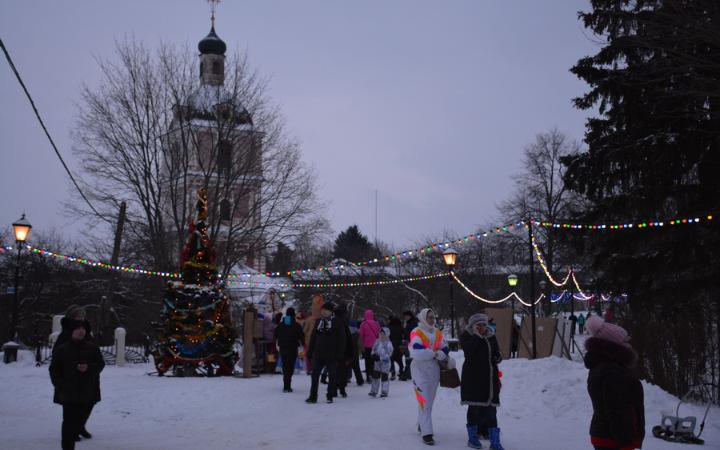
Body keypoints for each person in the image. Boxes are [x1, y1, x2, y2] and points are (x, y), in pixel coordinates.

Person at [584, 316, 645, 450]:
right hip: (612, 440)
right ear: (614, 345)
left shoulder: (606, 366)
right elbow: (617, 410)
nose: (628, 343)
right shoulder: (612, 371)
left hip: (607, 436)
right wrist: (626, 442)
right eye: (624, 340)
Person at [50, 320, 105, 450]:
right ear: (71, 331)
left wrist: (89, 368)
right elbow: (54, 370)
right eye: (77, 329)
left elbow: (100, 364)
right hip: (69, 393)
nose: (81, 331)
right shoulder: (62, 349)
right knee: (68, 424)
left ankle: (78, 429)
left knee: (79, 421)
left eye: (83, 329)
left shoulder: (92, 348)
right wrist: (61, 385)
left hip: (88, 392)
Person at [52, 305, 97, 442]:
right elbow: (57, 358)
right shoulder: (66, 334)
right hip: (71, 377)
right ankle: (73, 430)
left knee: (90, 402)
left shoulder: (86, 332)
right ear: (71, 317)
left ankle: (80, 426)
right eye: (78, 316)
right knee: (72, 406)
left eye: (83, 316)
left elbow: (96, 354)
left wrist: (91, 367)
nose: (81, 319)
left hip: (89, 375)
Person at [460, 313, 504, 450]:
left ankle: (495, 442)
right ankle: (473, 438)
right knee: (474, 409)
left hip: (490, 380)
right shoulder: (467, 336)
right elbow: (469, 352)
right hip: (474, 380)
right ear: (473, 326)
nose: (482, 327)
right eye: (478, 325)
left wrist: (497, 357)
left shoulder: (491, 336)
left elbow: (496, 352)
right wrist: (477, 336)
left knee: (491, 411)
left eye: (484, 324)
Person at [409, 308, 449, 446]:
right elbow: (416, 351)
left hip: (434, 370)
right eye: (429, 317)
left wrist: (439, 354)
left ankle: (422, 423)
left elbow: (445, 349)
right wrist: (434, 353)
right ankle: (427, 433)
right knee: (424, 400)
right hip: (419, 370)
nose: (432, 320)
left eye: (433, 317)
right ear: (423, 318)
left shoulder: (437, 332)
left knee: (429, 401)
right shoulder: (416, 332)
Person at [306, 302, 346, 404]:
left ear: (331, 311)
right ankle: (313, 396)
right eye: (322, 310)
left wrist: (340, 354)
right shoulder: (318, 321)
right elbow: (313, 338)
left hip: (332, 354)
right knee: (315, 375)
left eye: (326, 310)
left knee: (332, 375)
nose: (323, 311)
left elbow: (342, 339)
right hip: (318, 354)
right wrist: (310, 352)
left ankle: (330, 395)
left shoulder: (337, 322)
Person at [274, 307, 305, 393]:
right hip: (293, 348)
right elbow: (301, 336)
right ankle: (288, 385)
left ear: (286, 315)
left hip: (283, 348)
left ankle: (285, 385)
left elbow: (275, 334)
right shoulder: (296, 325)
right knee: (290, 366)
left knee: (285, 365)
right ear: (294, 315)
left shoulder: (281, 325)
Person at [332, 302, 354, 398]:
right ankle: (342, 389)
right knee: (343, 371)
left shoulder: (332, 322)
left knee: (334, 370)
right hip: (344, 350)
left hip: (334, 350)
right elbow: (348, 338)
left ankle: (334, 388)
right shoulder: (344, 322)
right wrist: (350, 352)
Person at [369, 327, 394, 397]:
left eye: (384, 334)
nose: (382, 335)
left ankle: (384, 391)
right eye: (381, 334)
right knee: (375, 376)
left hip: (385, 363)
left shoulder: (388, 344)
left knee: (384, 377)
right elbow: (373, 349)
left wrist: (380, 358)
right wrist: (373, 355)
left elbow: (389, 354)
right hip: (377, 363)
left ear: (387, 334)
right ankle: (374, 391)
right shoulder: (377, 342)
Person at [302, 295, 324, 374]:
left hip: (315, 340)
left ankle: (313, 368)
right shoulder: (310, 320)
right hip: (310, 340)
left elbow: (304, 331)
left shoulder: (322, 319)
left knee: (315, 355)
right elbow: (305, 330)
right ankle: (310, 369)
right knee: (310, 355)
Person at [359, 309, 380, 380]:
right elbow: (378, 334)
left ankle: (368, 375)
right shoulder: (376, 323)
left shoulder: (363, 324)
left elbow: (361, 335)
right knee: (373, 361)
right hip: (375, 346)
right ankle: (373, 374)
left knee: (367, 360)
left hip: (366, 345)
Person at [402, 311, 419, 380]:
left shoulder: (412, 323)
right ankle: (409, 373)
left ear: (410, 316)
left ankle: (409, 374)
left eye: (406, 316)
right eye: (404, 316)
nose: (405, 317)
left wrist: (408, 340)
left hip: (411, 343)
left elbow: (413, 334)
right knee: (408, 358)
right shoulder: (409, 323)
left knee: (409, 359)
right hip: (409, 342)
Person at [348, 319, 365, 385]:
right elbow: (360, 344)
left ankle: (347, 378)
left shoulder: (346, 333)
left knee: (347, 366)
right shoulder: (357, 335)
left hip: (347, 353)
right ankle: (360, 380)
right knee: (356, 367)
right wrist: (363, 351)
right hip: (354, 353)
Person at [388, 315, 405, 380]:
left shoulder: (389, 327)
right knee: (399, 360)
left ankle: (393, 373)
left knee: (391, 360)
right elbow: (404, 334)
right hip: (399, 346)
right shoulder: (401, 327)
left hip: (391, 345)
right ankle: (401, 372)